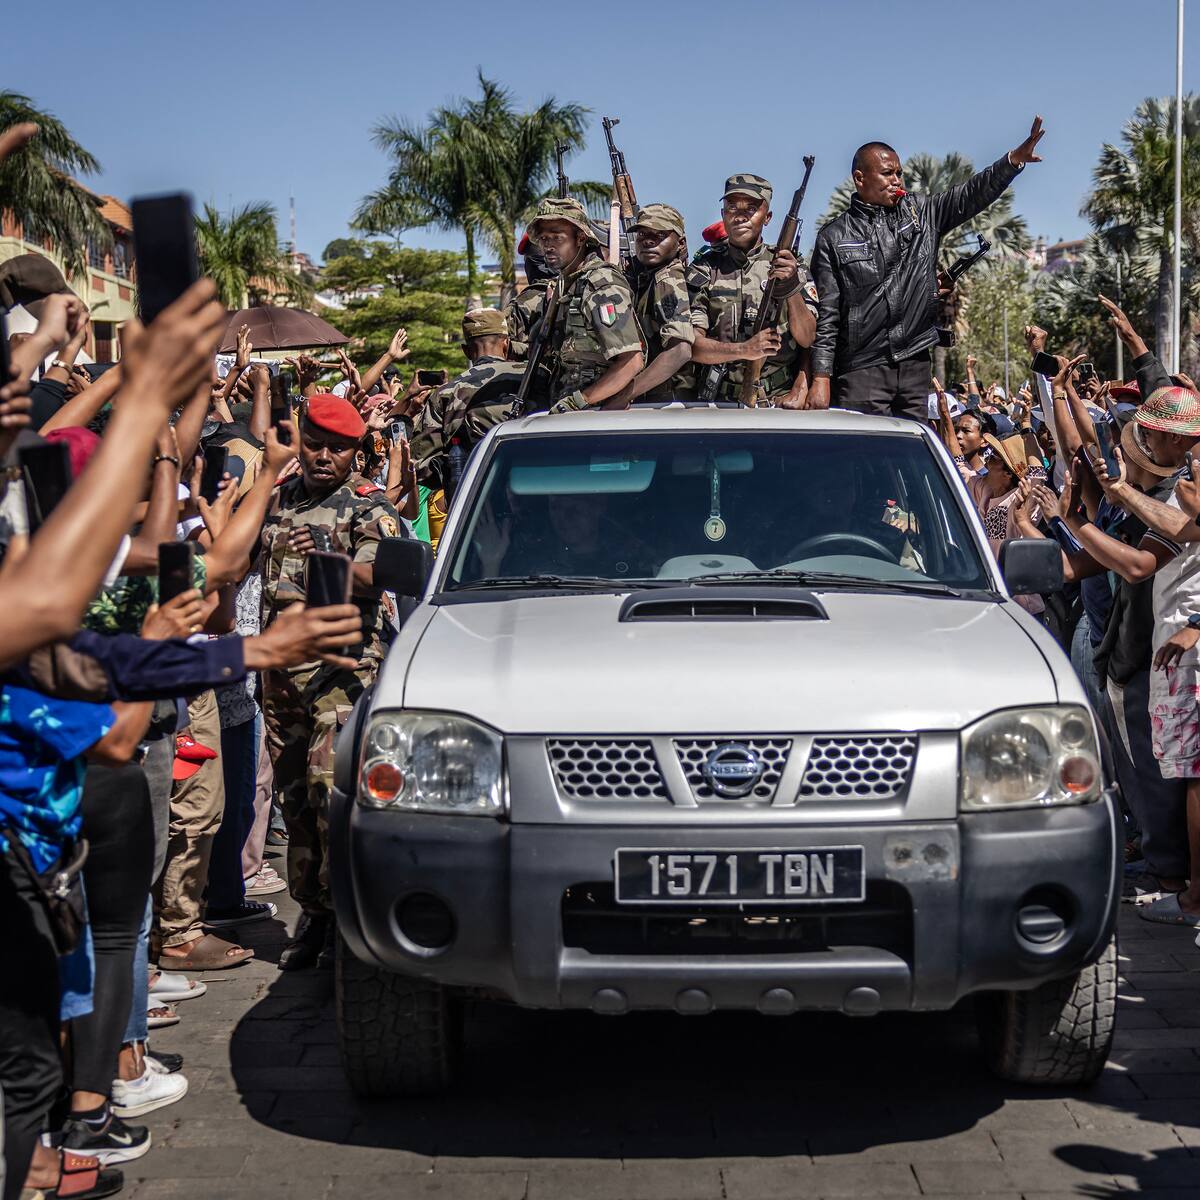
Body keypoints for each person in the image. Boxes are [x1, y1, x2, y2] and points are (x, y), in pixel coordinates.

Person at [259, 394, 402, 970]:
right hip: (281, 679)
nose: (323, 457)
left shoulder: (368, 505)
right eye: (314, 444)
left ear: (355, 451)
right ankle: (313, 913)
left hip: (340, 674)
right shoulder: (274, 503)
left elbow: (382, 574)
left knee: (328, 798)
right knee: (294, 799)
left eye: (337, 448)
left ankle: (347, 921)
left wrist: (327, 557)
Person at [809, 117, 1046, 418]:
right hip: (861, 369)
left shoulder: (922, 212)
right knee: (863, 459)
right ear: (860, 178)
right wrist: (821, 377)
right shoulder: (834, 236)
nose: (896, 180)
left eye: (899, 173)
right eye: (887, 173)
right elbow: (826, 317)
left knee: (910, 456)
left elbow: (969, 195)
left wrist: (1012, 162)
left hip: (914, 363)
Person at [688, 174, 817, 407]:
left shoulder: (790, 265)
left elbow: (808, 338)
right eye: (732, 207)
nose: (740, 216)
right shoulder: (704, 269)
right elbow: (693, 347)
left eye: (751, 209)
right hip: (717, 402)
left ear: (767, 217)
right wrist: (746, 350)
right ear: (723, 215)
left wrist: (790, 286)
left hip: (778, 400)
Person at [523, 197, 644, 414]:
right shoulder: (567, 283)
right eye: (543, 238)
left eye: (556, 238)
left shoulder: (599, 283)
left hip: (594, 416)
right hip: (572, 412)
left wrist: (580, 400)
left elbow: (631, 362)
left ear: (580, 238)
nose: (548, 246)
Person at [412, 309, 525, 489]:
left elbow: (422, 468)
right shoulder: (537, 378)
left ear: (466, 351)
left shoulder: (446, 393)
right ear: (507, 344)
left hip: (474, 505)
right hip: (544, 498)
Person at [620, 204, 696, 404]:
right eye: (642, 234)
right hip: (656, 399)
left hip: (666, 402)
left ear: (681, 243)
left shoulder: (668, 278)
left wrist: (624, 395)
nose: (648, 241)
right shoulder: (643, 277)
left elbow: (679, 351)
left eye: (660, 235)